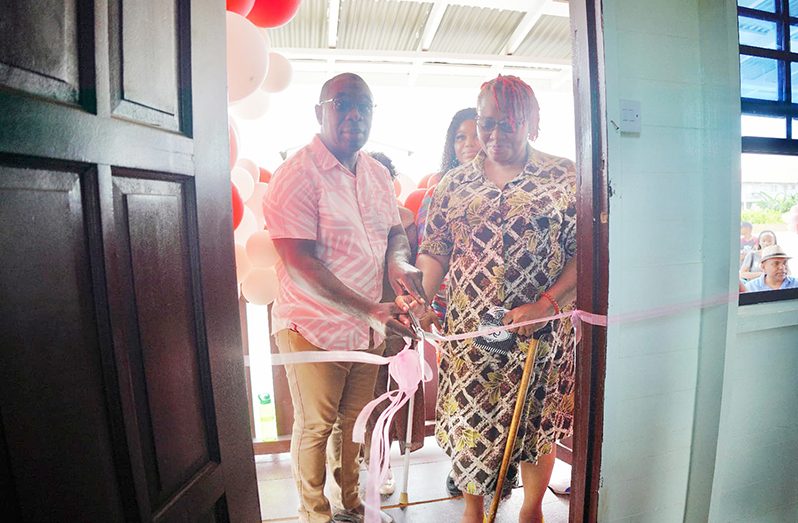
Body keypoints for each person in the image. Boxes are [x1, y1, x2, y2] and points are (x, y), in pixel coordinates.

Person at [398, 75, 577, 523]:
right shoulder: (452, 185)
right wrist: (422, 296)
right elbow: (436, 249)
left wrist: (546, 306)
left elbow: (585, 255)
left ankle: (531, 512)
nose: (494, 137)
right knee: (470, 427)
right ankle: (474, 515)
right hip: (471, 335)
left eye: (509, 125)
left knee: (536, 427)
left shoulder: (565, 176)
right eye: (486, 124)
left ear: (533, 124)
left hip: (541, 334)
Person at [263, 73, 424, 523]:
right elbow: (299, 262)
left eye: (364, 107)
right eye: (342, 104)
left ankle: (351, 504)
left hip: (365, 329)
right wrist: (371, 308)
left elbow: (395, 233)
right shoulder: (295, 174)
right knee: (316, 427)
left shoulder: (375, 173)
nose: (354, 115)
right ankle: (315, 514)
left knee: (355, 425)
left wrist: (399, 264)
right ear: (320, 112)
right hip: (312, 328)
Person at [363, 151, 425, 496]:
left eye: (384, 178)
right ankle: (376, 463)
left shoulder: (407, 219)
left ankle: (390, 462)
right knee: (369, 395)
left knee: (395, 394)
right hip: (366, 314)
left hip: (401, 316)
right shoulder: (357, 219)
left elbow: (416, 265)